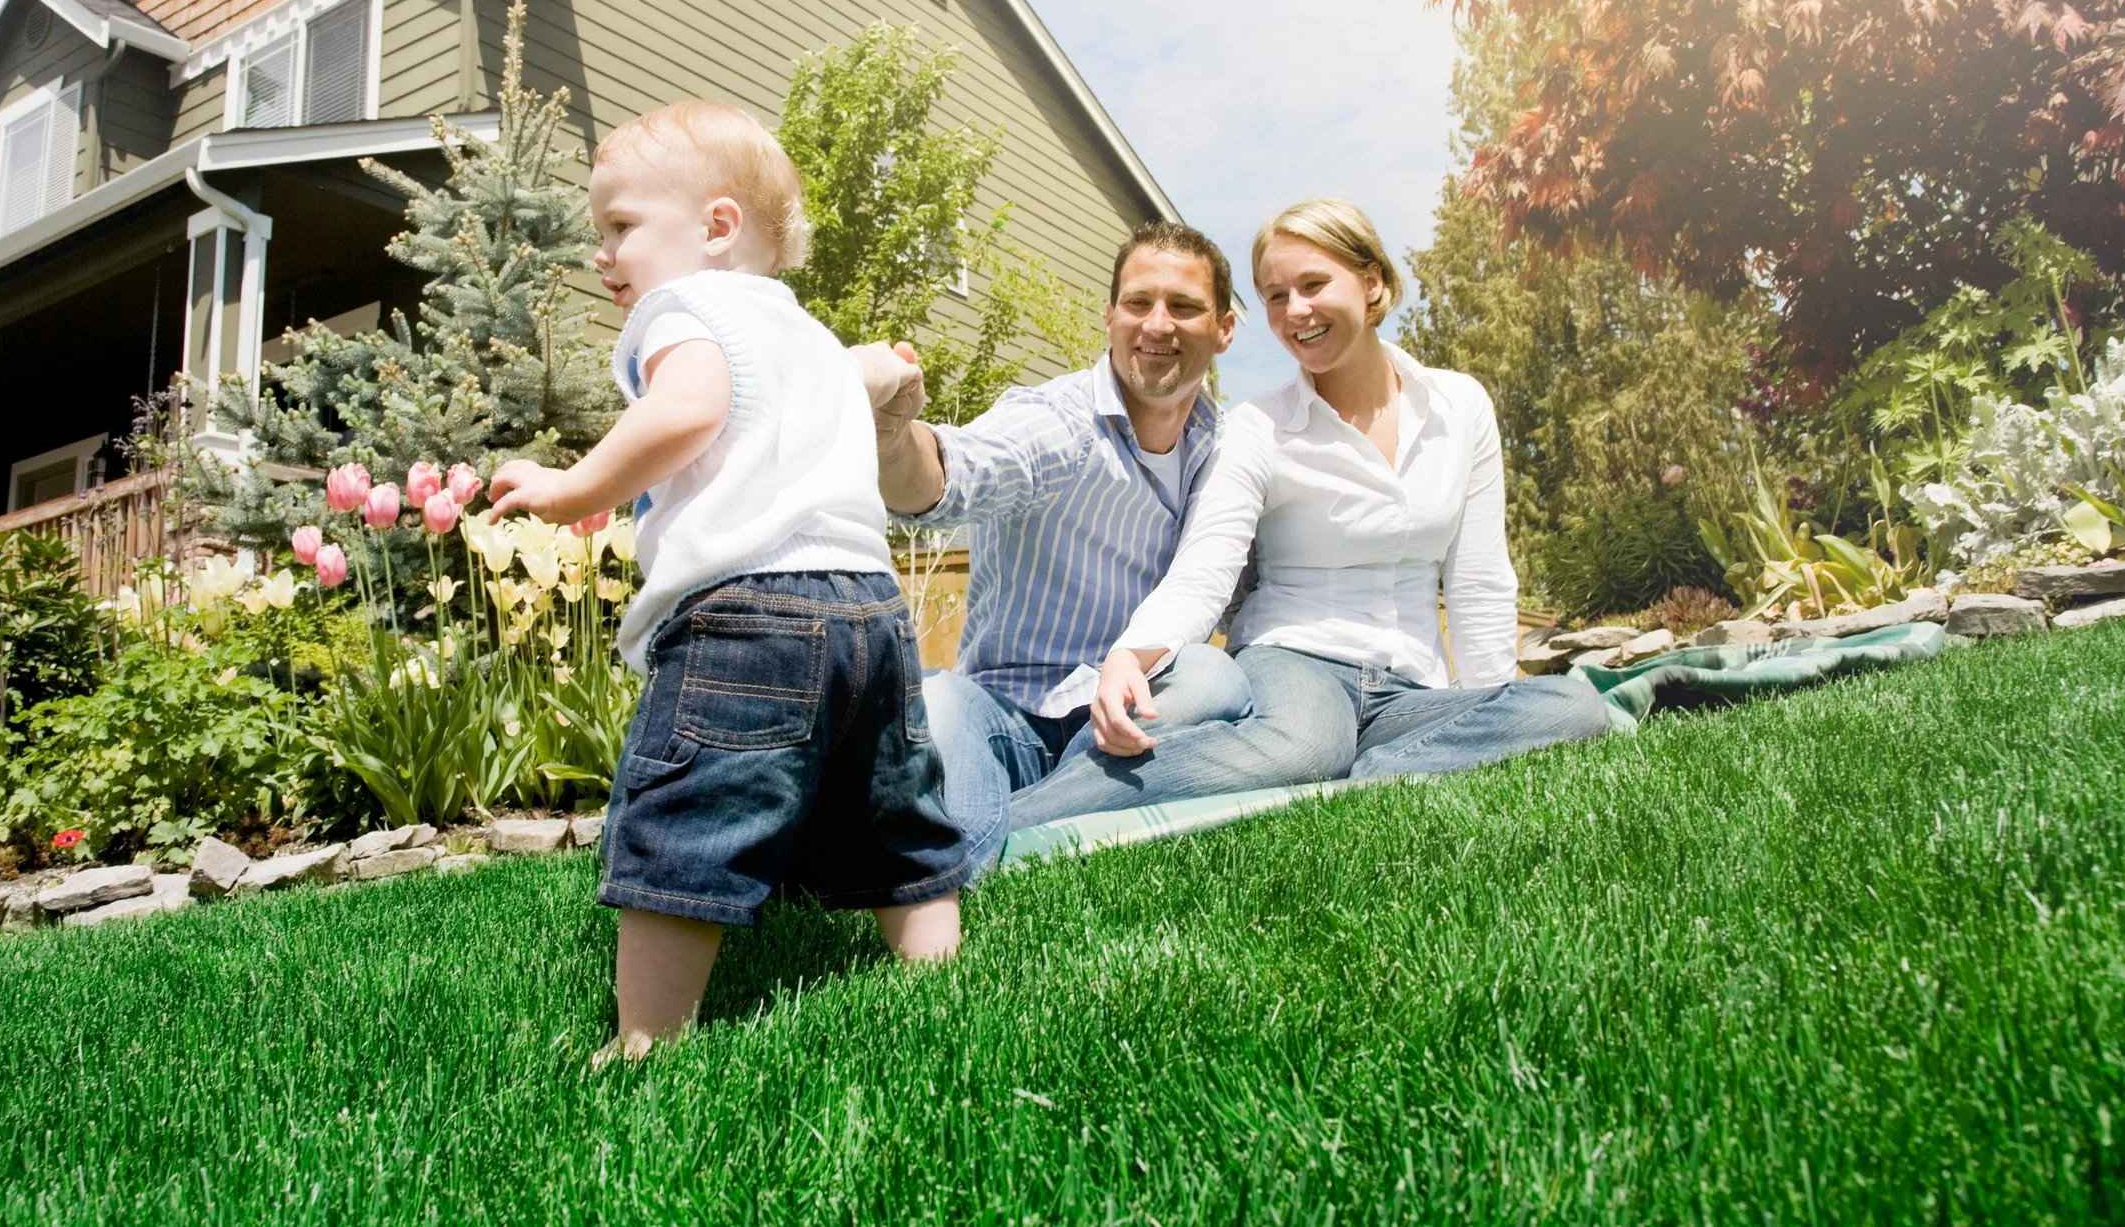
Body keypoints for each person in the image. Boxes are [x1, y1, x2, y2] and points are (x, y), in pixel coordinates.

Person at [487, 100, 969, 1063]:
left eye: (621, 226)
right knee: (893, 812)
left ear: (715, 228)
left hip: (749, 611)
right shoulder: (806, 333)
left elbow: (690, 408)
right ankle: (938, 989)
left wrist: (570, 485)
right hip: (870, 610)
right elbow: (853, 382)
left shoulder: (683, 308)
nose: (603, 254)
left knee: (692, 810)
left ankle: (647, 1041)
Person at [1011, 198, 1611, 827]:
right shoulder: (1259, 426)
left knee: (1572, 707)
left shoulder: (1459, 407)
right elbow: (1205, 567)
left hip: (1410, 687)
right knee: (1309, 744)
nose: (1295, 311)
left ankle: (1353, 784)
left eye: (1313, 285)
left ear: (1372, 280)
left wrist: (1494, 702)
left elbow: (1480, 580)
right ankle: (1009, 825)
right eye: (1275, 296)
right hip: (1294, 664)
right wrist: (1131, 655)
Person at [853, 223, 1349, 865]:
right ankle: (990, 854)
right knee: (938, 698)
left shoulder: (1227, 453)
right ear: (1110, 315)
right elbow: (956, 470)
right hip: (1006, 716)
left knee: (1211, 677)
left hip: (1133, 717)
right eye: (1139, 303)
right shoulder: (1059, 421)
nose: (1158, 324)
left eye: (1184, 307)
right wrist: (893, 439)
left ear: (1224, 328)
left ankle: (985, 849)